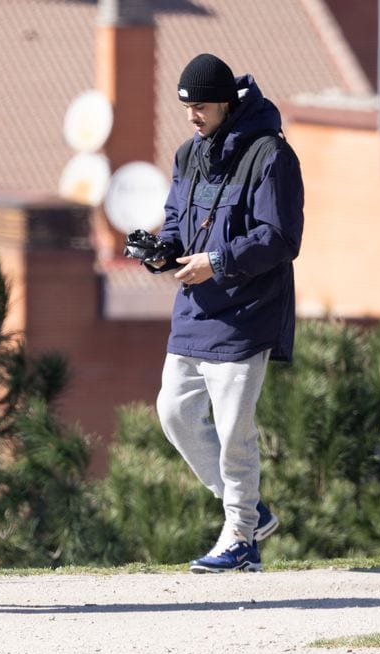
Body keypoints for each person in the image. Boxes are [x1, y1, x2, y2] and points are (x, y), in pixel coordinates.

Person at [125, 53, 303, 573]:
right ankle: (249, 512)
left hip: (248, 314)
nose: (191, 116)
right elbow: (179, 224)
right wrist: (160, 251)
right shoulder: (189, 155)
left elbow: (280, 237)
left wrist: (218, 261)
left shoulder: (272, 156)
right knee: (175, 414)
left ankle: (240, 537)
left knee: (234, 431)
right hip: (195, 312)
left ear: (226, 102)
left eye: (199, 106)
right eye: (186, 107)